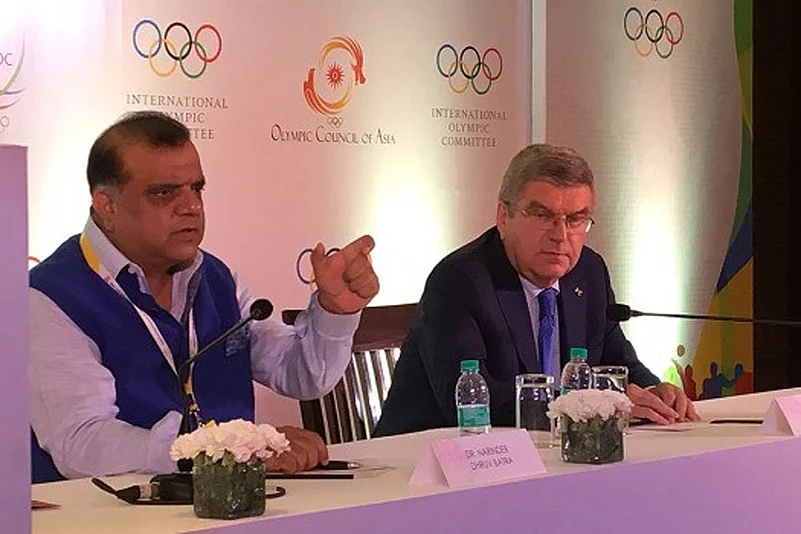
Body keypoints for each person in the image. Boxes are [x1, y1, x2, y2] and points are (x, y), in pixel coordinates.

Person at [29, 111, 379, 483]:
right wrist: (230, 449)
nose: (191, 207)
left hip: (228, 501)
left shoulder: (215, 277)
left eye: (196, 188)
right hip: (106, 509)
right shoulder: (49, 296)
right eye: (164, 193)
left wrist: (334, 312)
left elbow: (300, 375)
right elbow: (81, 443)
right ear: (107, 205)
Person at [375, 143, 699, 436]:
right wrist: (596, 404)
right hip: (429, 463)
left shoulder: (588, 273)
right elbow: (473, 403)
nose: (560, 235)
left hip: (549, 458)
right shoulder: (460, 281)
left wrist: (654, 391)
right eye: (543, 215)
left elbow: (618, 362)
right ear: (504, 217)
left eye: (576, 219)